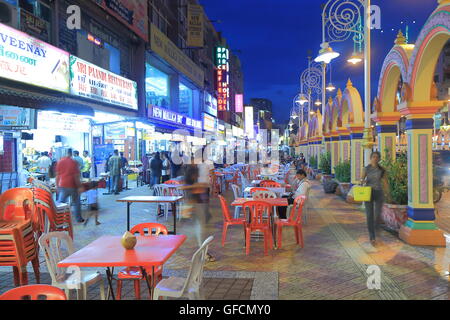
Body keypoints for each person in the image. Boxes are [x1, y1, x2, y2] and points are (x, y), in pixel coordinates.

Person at [180, 164, 215, 262]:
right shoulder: (190, 174)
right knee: (199, 230)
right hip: (195, 205)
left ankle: (203, 251)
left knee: (199, 229)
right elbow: (186, 188)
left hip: (196, 205)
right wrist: (198, 186)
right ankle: (203, 253)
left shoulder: (190, 174)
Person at [360, 151, 388, 244]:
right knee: (369, 215)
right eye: (374, 157)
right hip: (368, 193)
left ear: (379, 159)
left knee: (377, 215)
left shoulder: (382, 170)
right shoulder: (366, 169)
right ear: (370, 158)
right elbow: (362, 179)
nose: (375, 159)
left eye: (377, 157)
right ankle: (372, 236)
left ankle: (377, 232)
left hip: (378, 193)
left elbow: (385, 182)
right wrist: (361, 182)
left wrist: (387, 193)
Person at [56, 149, 84, 223]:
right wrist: (79, 186)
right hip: (72, 185)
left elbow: (57, 175)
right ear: (71, 154)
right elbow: (76, 176)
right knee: (76, 202)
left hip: (62, 185)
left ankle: (59, 220)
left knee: (61, 203)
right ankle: (78, 219)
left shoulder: (60, 161)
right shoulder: (73, 162)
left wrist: (57, 186)